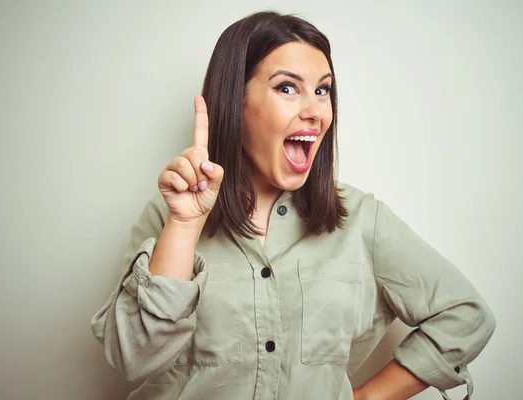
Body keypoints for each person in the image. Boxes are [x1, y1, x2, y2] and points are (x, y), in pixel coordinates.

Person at [91, 11, 495, 400]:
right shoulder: (170, 215)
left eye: (322, 90)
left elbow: (466, 315)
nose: (315, 110)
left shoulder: (360, 220)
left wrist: (370, 397)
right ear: (236, 100)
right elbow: (132, 359)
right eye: (287, 88)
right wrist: (184, 225)